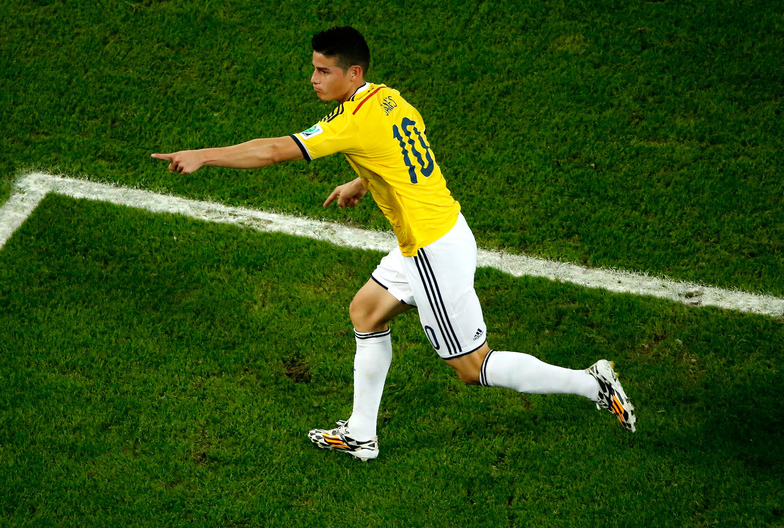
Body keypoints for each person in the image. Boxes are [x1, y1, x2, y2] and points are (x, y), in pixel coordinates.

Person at [152, 26, 637, 461]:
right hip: (437, 231)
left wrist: (204, 155)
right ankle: (361, 434)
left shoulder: (351, 121)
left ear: (353, 72)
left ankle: (590, 383)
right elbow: (397, 150)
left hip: (430, 250)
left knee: (473, 367)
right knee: (365, 312)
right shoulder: (388, 99)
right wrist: (361, 181)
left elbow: (277, 150)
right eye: (313, 69)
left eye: (324, 71)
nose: (314, 79)